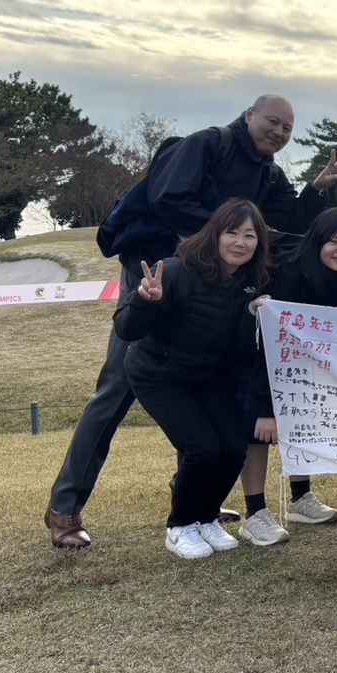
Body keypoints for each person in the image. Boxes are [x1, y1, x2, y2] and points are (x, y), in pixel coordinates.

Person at [45, 95, 337, 549]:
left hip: (218, 284)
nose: (279, 133)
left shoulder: (270, 173)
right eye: (272, 122)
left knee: (205, 383)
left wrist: (318, 189)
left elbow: (286, 224)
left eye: (288, 128)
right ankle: (65, 507)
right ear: (249, 116)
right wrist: (219, 239)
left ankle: (192, 497)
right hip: (162, 277)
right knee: (119, 385)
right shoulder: (209, 144)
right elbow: (168, 199)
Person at [116, 199, 272, 559]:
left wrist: (254, 318)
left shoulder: (251, 283)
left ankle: (205, 517)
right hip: (159, 375)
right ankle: (180, 525)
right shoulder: (173, 272)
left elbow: (240, 348)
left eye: (249, 235)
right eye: (232, 232)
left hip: (207, 375)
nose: (240, 242)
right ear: (214, 234)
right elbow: (125, 328)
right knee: (201, 448)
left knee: (233, 445)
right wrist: (145, 301)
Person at [240, 208, 337, 545]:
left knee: (301, 418)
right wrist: (266, 408)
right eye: (333, 241)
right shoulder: (285, 275)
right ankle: (254, 512)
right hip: (256, 365)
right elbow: (263, 346)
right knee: (258, 435)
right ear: (316, 240)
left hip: (303, 373)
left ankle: (300, 498)